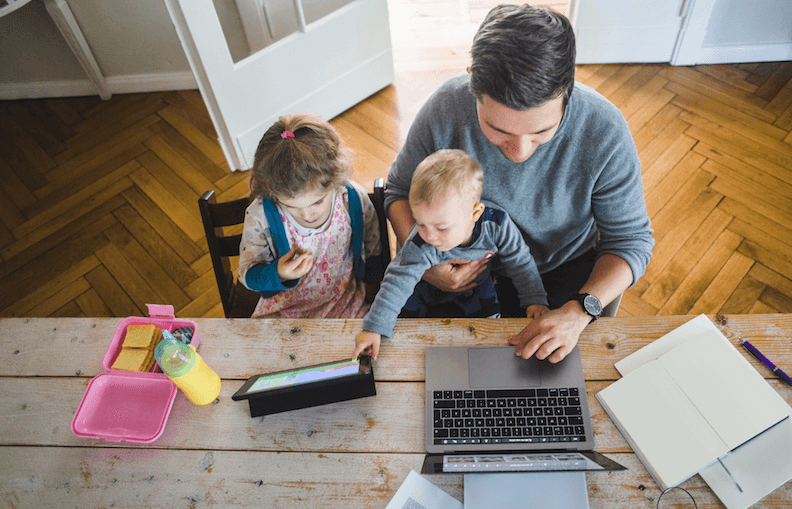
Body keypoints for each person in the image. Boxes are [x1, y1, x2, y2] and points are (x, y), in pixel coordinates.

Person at [383, 4, 654, 362]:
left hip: (561, 276)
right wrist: (425, 261)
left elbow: (631, 241)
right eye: (498, 130)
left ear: (567, 91)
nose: (520, 150)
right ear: (471, 83)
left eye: (542, 131)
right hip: (459, 266)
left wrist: (581, 309)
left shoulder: (604, 131)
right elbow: (398, 191)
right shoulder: (446, 108)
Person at [353, 149, 549, 359]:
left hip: (477, 286)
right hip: (421, 288)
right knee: (401, 332)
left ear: (475, 213)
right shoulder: (420, 240)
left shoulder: (497, 224)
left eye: (441, 227)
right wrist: (374, 328)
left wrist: (534, 299)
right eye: (421, 223)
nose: (429, 236)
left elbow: (519, 260)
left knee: (493, 335)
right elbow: (397, 281)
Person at [237, 113, 383, 318]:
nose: (307, 214)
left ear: (336, 179)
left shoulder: (352, 199)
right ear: (270, 191)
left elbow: (373, 246)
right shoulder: (261, 214)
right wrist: (278, 272)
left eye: (318, 201)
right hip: (283, 311)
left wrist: (376, 288)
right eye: (291, 206)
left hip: (345, 303)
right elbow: (247, 273)